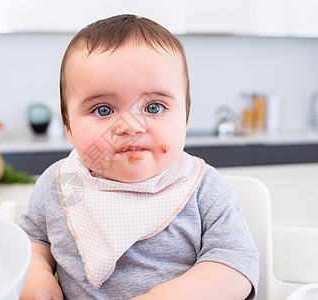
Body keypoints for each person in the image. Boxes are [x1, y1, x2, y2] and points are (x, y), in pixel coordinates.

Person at [18, 14, 259, 300]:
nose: (131, 126)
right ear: (69, 127)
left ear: (185, 119)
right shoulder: (60, 185)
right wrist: (36, 275)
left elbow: (236, 264)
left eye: (154, 107)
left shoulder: (204, 189)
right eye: (103, 110)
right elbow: (32, 241)